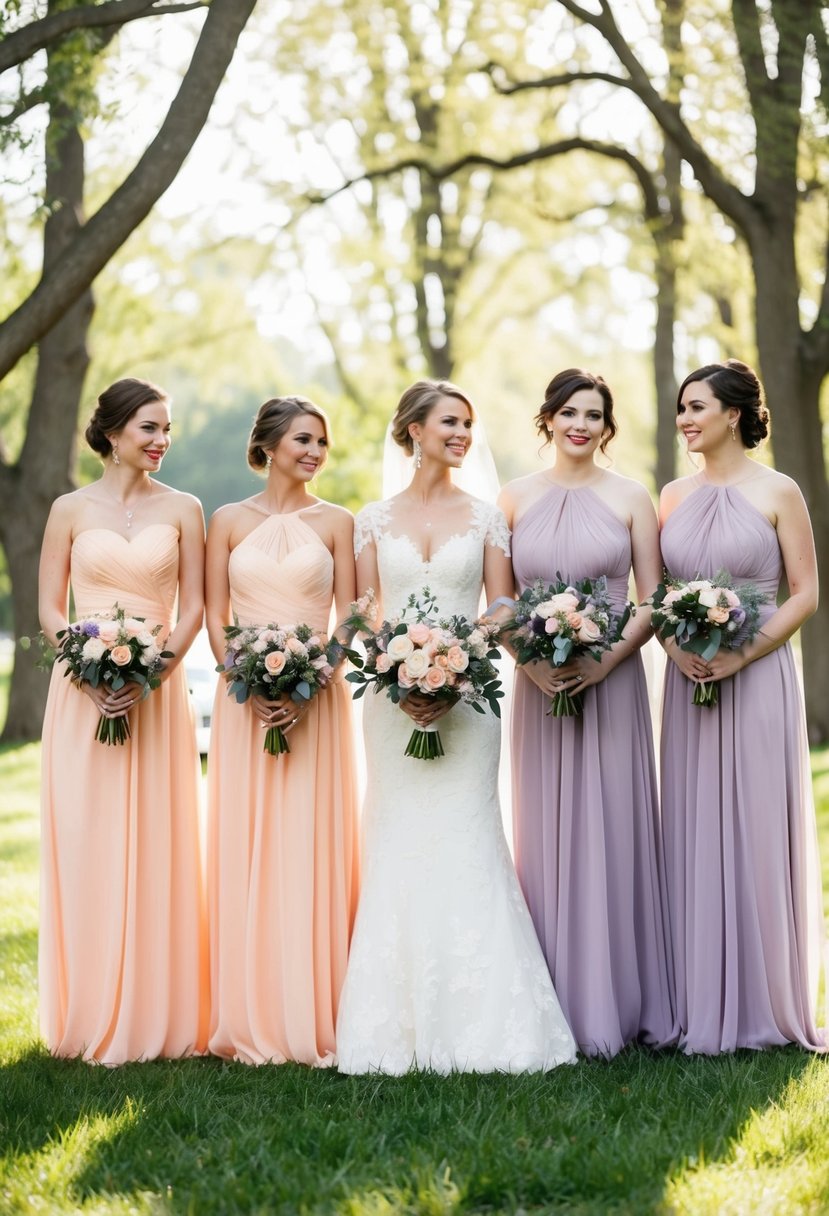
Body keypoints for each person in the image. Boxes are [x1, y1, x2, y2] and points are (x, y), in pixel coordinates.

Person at [335, 379, 577, 1074]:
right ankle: (394, 1026)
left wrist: (459, 657)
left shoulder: (486, 517)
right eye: (449, 422)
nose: (463, 434)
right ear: (412, 429)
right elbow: (357, 611)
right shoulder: (371, 519)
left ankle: (489, 1021)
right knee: (399, 839)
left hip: (469, 699)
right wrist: (392, 665)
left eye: (468, 423)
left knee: (468, 836)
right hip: (389, 701)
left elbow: (501, 604)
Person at [499, 368, 676, 1057]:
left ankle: (619, 1000)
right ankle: (548, 1000)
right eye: (569, 411)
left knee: (613, 826)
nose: (581, 423)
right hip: (537, 688)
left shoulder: (631, 497)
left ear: (607, 427)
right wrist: (532, 665)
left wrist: (603, 662)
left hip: (614, 682)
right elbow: (501, 601)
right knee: (544, 835)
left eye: (594, 414)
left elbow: (649, 598)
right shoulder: (512, 499)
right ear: (546, 418)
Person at [38, 377, 208, 1063]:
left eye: (166, 428)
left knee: (156, 842)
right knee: (88, 840)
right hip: (79, 692)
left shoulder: (185, 508)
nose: (162, 439)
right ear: (112, 432)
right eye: (149, 427)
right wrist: (87, 667)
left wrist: (151, 673)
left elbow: (194, 606)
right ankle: (87, 1012)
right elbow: (51, 606)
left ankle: (156, 1014)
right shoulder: (68, 509)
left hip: (157, 693)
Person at [660, 358, 824, 1053]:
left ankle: (763, 1001)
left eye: (697, 406)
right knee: (692, 828)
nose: (686, 420)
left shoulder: (778, 489)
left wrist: (742, 652)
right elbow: (658, 592)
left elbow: (805, 591)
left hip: (755, 674)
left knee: (756, 824)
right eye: (680, 409)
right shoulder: (667, 494)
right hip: (686, 678)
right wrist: (678, 653)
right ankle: (696, 996)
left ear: (734, 413)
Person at [205, 396, 360, 1066]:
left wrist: (316, 678)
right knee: (247, 845)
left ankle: (314, 1007)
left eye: (322, 442)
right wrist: (242, 676)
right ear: (268, 442)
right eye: (303, 439)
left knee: (308, 843)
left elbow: (352, 614)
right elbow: (213, 612)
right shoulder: (227, 521)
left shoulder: (337, 523)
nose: (315, 452)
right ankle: (248, 1012)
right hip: (243, 704)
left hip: (318, 701)